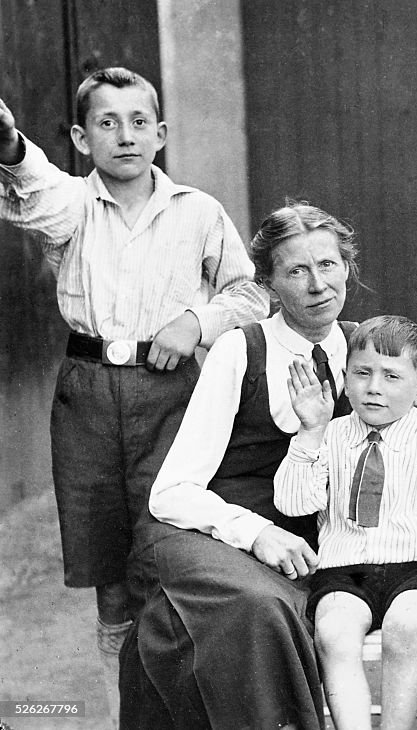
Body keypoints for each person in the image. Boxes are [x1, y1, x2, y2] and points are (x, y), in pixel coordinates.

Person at [122, 204, 417, 729]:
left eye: (328, 265)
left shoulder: (362, 346)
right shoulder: (241, 350)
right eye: (296, 271)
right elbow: (172, 491)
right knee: (262, 608)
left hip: (321, 534)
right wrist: (257, 533)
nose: (317, 285)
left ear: (348, 267)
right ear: (269, 283)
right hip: (221, 527)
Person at [0, 67, 266, 723]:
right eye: (107, 123)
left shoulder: (198, 210)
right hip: (87, 398)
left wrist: (195, 323)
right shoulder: (71, 207)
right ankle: (126, 712)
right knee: (109, 575)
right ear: (81, 138)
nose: (125, 136)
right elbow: (32, 186)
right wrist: (7, 145)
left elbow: (248, 292)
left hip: (172, 396)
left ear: (162, 133)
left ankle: (171, 711)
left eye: (139, 121)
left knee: (165, 558)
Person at [274, 314, 417, 730]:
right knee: (334, 635)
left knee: (407, 628)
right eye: (362, 373)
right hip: (343, 571)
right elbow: (294, 503)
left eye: (391, 376)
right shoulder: (330, 434)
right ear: (344, 377)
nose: (373, 387)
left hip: (415, 567)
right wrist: (308, 432)